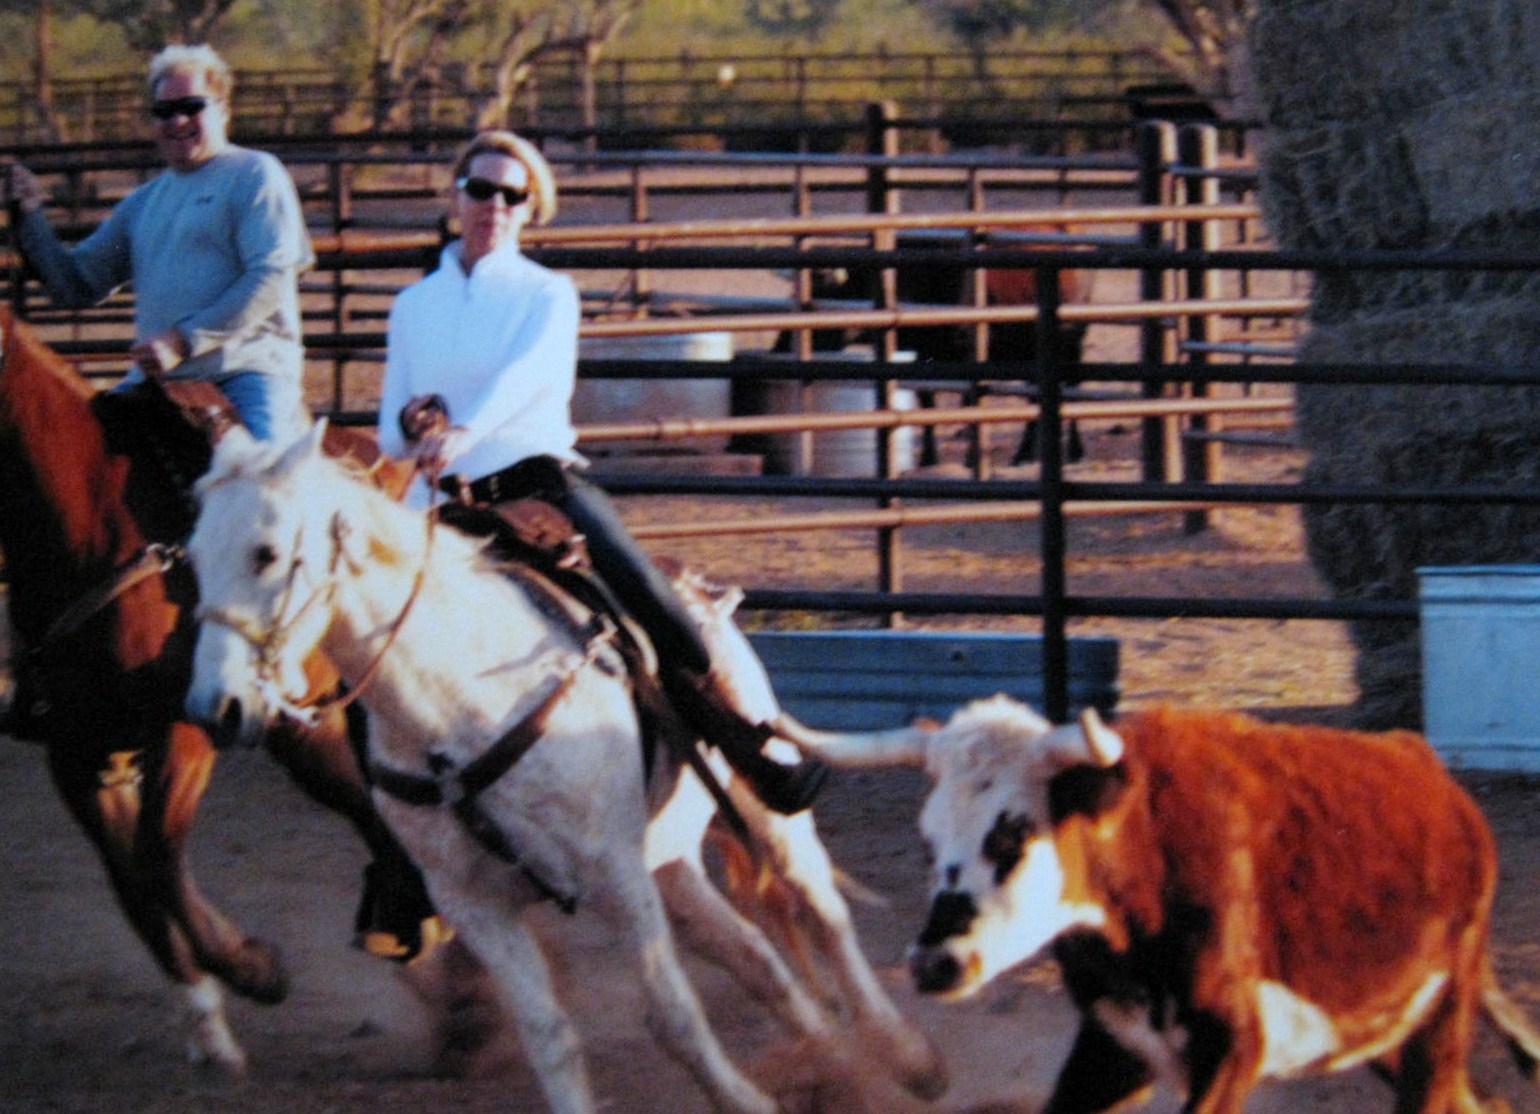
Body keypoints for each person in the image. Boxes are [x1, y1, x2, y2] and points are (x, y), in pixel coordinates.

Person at [379, 129, 825, 815]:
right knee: (366, 620)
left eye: (511, 196)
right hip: (441, 499)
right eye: (481, 189)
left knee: (640, 588)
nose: (494, 206)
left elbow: (528, 378)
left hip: (535, 484)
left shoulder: (547, 294)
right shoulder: (414, 307)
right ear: (456, 196)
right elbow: (390, 431)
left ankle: (742, 736)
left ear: (530, 209)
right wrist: (414, 426)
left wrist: (464, 430)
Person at [7, 43, 314, 443]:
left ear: (223, 108)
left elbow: (272, 277)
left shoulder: (254, 174)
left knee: (262, 475)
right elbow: (78, 283)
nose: (178, 120)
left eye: (191, 106)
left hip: (245, 374)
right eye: (164, 111)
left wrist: (185, 340)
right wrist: (29, 216)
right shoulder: (143, 204)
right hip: (158, 384)